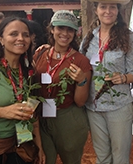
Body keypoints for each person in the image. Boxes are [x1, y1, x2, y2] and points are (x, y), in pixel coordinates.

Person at [81, 0, 133, 164]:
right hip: (94, 107)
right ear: (96, 9)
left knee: (120, 157)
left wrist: (123, 78)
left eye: (112, 7)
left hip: (119, 107)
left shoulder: (128, 38)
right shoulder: (88, 39)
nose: (108, 11)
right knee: (102, 156)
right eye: (103, 6)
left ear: (118, 10)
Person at [0, 16, 45, 163]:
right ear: (1, 39)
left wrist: (39, 147)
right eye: (13, 34)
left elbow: (33, 117)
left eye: (25, 35)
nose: (21, 38)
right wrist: (2, 111)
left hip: (20, 148)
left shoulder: (29, 74)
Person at [33, 10, 92, 164]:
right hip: (42, 116)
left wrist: (81, 81)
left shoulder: (80, 61)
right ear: (52, 29)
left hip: (68, 119)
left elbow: (80, 102)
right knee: (44, 160)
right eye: (60, 28)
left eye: (70, 29)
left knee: (71, 161)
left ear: (75, 33)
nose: (65, 33)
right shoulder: (40, 54)